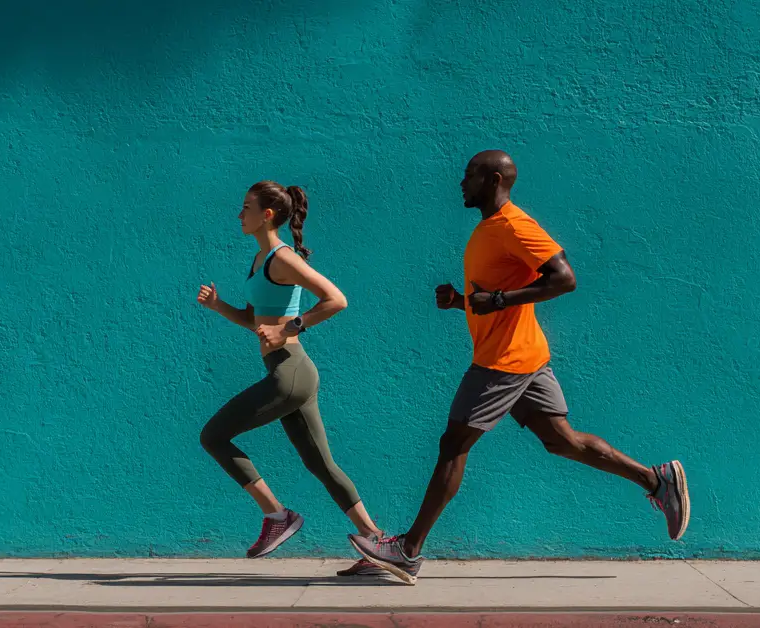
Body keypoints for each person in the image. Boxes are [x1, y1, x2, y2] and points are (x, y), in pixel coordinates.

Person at [348, 151, 690, 585]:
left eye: (469, 174)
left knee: (453, 443)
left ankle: (407, 551)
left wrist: (503, 301)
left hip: (503, 361)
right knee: (563, 442)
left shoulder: (515, 225)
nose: (461, 182)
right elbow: (495, 293)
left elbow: (564, 278)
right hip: (523, 354)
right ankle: (656, 480)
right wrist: (461, 302)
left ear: (492, 179)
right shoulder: (488, 229)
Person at [198, 180, 386, 576]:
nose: (239, 214)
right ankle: (379, 545)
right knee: (322, 466)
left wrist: (290, 329)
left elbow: (336, 299)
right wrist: (219, 308)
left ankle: (276, 515)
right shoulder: (259, 260)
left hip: (291, 370)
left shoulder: (282, 258)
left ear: (267, 214)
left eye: (246, 207)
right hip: (286, 370)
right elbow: (256, 320)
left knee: (213, 436)